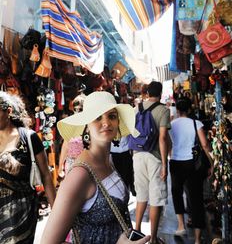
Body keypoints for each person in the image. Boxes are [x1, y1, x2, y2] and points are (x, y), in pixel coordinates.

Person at [41, 91, 150, 244]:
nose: (106, 123)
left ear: (118, 122)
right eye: (97, 117)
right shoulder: (80, 175)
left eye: (111, 116)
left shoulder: (108, 160)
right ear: (87, 127)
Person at [0, 91, 56, 243]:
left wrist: (57, 215)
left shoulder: (28, 138)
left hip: (22, 214)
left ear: (8, 111)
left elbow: (46, 176)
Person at [169, 97, 213, 244]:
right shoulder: (196, 123)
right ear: (189, 109)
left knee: (177, 193)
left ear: (178, 110)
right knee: (196, 199)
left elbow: (167, 143)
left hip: (175, 162)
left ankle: (181, 225)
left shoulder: (171, 124)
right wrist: (211, 162)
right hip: (192, 164)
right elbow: (205, 144)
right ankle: (198, 239)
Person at [132, 81, 171, 244]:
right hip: (154, 156)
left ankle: (138, 231)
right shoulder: (163, 110)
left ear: (147, 93)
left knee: (141, 195)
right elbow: (162, 138)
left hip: (137, 155)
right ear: (160, 93)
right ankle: (153, 239)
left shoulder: (136, 109)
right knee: (156, 198)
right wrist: (164, 163)